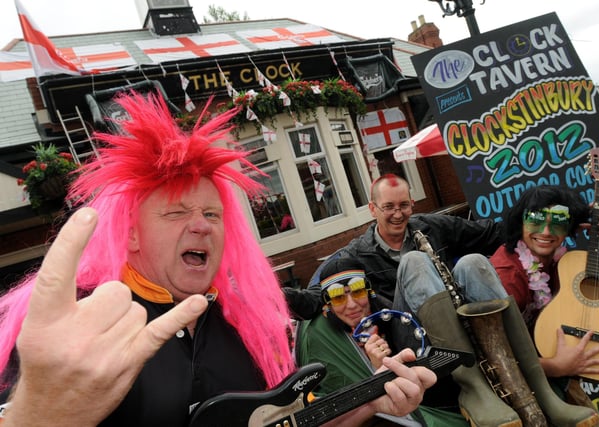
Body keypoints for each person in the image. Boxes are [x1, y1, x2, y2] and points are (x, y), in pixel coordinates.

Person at [0, 92, 434, 426]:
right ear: (130, 233)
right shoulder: (73, 322)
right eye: (176, 212)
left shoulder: (246, 322)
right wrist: (37, 414)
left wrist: (371, 400)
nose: (202, 225)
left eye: (212, 213)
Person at [303, 174, 599, 426]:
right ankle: (474, 390)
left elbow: (496, 232)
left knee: (473, 262)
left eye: (404, 205)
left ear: (412, 204)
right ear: (372, 209)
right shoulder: (355, 254)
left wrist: (568, 224)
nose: (398, 214)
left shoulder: (430, 226)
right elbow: (321, 292)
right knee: (416, 262)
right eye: (389, 207)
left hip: (454, 327)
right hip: (411, 340)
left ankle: (539, 389)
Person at [296, 256, 470, 427]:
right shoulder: (325, 338)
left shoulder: (393, 319)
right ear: (328, 306)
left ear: (369, 291)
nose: (351, 305)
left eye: (357, 291)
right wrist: (377, 369)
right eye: (338, 297)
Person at [490, 185, 599, 410]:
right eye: (535, 220)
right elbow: (494, 357)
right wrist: (555, 367)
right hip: (520, 390)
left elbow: (575, 305)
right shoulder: (506, 278)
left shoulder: (559, 263)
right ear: (520, 223)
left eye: (558, 221)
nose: (546, 232)